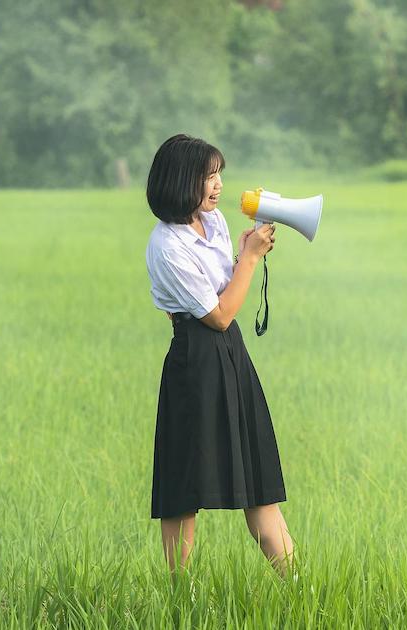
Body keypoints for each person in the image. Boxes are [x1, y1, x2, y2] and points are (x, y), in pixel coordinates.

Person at [145, 134, 295, 575]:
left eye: (218, 175)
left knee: (259, 481)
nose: (218, 186)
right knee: (183, 487)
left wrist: (245, 254)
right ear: (180, 182)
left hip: (231, 357)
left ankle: (301, 591)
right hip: (195, 361)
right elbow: (220, 315)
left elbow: (225, 291)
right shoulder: (167, 246)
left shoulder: (213, 224)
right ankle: (180, 597)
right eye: (208, 177)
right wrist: (248, 260)